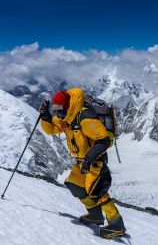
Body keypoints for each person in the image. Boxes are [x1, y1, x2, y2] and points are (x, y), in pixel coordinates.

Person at [39, 87, 126, 238]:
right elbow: (52, 129)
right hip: (81, 162)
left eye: (59, 109)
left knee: (95, 191)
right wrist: (45, 117)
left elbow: (103, 140)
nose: (57, 113)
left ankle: (116, 224)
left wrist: (88, 159)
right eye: (55, 110)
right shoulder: (67, 116)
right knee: (75, 186)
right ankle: (95, 216)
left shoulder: (85, 117)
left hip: (94, 162)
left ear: (67, 106)